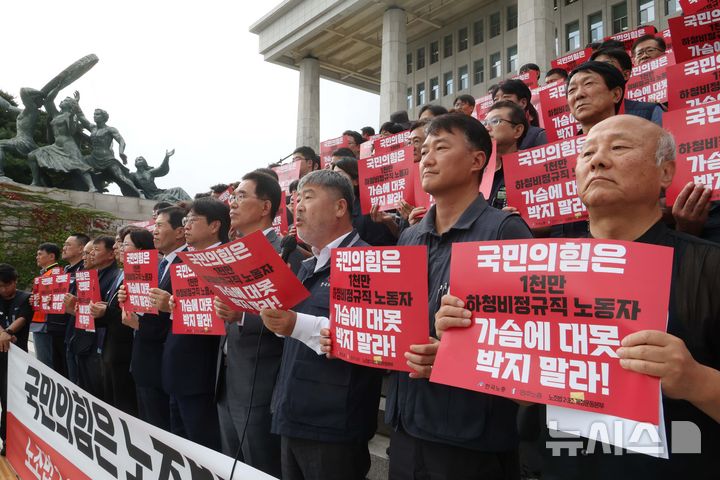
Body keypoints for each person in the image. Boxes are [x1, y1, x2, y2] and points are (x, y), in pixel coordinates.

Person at [437, 115, 720, 479]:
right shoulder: (537, 273)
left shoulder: (708, 269)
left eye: (619, 148)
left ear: (666, 172)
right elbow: (528, 396)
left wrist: (697, 381)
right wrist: (471, 343)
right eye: (587, 154)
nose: (598, 160)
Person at [350, 113, 532, 479]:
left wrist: (458, 354)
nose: (426, 160)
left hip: (470, 438)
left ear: (477, 161)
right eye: (424, 151)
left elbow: (529, 337)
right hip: (407, 425)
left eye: (441, 148)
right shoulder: (410, 236)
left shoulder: (504, 231)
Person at [259, 170, 383, 480]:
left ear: (341, 207)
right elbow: (296, 329)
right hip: (292, 413)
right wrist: (278, 322)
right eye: (296, 200)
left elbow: (370, 335)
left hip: (333, 426)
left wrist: (294, 324)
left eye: (309, 198)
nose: (297, 207)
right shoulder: (307, 264)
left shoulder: (367, 261)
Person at [213, 171, 285, 476]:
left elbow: (288, 315)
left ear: (265, 207)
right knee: (233, 465)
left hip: (260, 381)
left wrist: (242, 315)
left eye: (242, 196)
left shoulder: (285, 253)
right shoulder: (231, 251)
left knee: (260, 467)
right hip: (227, 378)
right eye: (233, 196)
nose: (233, 203)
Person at [159, 198, 225, 451]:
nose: (186, 226)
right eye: (185, 221)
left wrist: (174, 306)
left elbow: (219, 317)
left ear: (214, 226)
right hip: (176, 369)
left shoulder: (224, 260)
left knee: (204, 448)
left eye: (193, 220)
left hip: (202, 375)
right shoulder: (181, 261)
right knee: (182, 447)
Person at [120, 206, 186, 430]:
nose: (154, 231)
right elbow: (148, 308)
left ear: (179, 231)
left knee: (163, 429)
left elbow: (177, 317)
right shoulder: (159, 266)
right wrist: (127, 299)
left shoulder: (188, 265)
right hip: (144, 360)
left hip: (164, 363)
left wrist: (139, 324)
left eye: (159, 225)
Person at [88, 233, 138, 413]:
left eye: (124, 244)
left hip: (125, 353)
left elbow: (132, 317)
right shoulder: (120, 274)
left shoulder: (132, 275)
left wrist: (106, 312)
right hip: (108, 349)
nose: (118, 248)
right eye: (118, 243)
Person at [26, 91, 95, 191]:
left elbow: (71, 131)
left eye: (66, 100)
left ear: (70, 105)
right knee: (31, 156)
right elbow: (48, 101)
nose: (62, 101)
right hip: (56, 146)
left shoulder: (70, 116)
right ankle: (36, 181)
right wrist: (57, 87)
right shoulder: (55, 114)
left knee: (79, 165)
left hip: (68, 145)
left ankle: (92, 187)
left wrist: (72, 116)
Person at [75, 101, 142, 197]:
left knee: (120, 176)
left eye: (97, 114)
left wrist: (121, 152)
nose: (94, 116)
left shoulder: (110, 129)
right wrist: (76, 103)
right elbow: (81, 117)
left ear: (103, 117)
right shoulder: (92, 128)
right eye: (94, 114)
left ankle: (139, 192)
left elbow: (121, 141)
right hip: (93, 157)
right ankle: (92, 187)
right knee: (81, 165)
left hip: (107, 158)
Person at [332, 156, 399, 246]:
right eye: (333, 176)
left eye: (339, 175)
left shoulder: (369, 212)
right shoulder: (330, 210)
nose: (334, 181)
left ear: (355, 181)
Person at [0, 263, 31, 455]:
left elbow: (23, 318)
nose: (2, 290)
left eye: (6, 285)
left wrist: (9, 331)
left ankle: (7, 440)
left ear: (15, 282)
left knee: (8, 400)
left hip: (15, 358)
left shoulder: (26, 298)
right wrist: (3, 334)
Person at [589, 48, 663, 124]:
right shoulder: (585, 117)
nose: (599, 70)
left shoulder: (650, 111)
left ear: (625, 74)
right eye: (594, 68)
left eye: (606, 64)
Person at [481, 101, 528, 210]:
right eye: (485, 123)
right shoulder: (477, 169)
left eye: (495, 121)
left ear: (517, 130)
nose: (487, 128)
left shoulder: (531, 168)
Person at [60, 233, 90, 385]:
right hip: (66, 330)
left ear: (80, 248)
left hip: (79, 333)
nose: (63, 248)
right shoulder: (65, 270)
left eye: (68, 245)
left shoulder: (85, 273)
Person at [30, 243, 62, 372]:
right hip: (40, 321)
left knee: (45, 364)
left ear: (51, 256)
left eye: (40, 254)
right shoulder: (46, 274)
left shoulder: (55, 273)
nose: (37, 257)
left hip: (45, 323)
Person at [0, 88, 44, 181]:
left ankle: (0, 175)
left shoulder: (32, 110)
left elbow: (23, 90)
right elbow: (8, 107)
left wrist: (40, 93)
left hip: (24, 142)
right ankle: (39, 181)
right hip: (23, 141)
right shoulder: (24, 111)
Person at [493, 79, 547, 149]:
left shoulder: (539, 135)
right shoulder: (493, 138)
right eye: (495, 100)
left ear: (523, 103)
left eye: (506, 98)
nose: (499, 103)